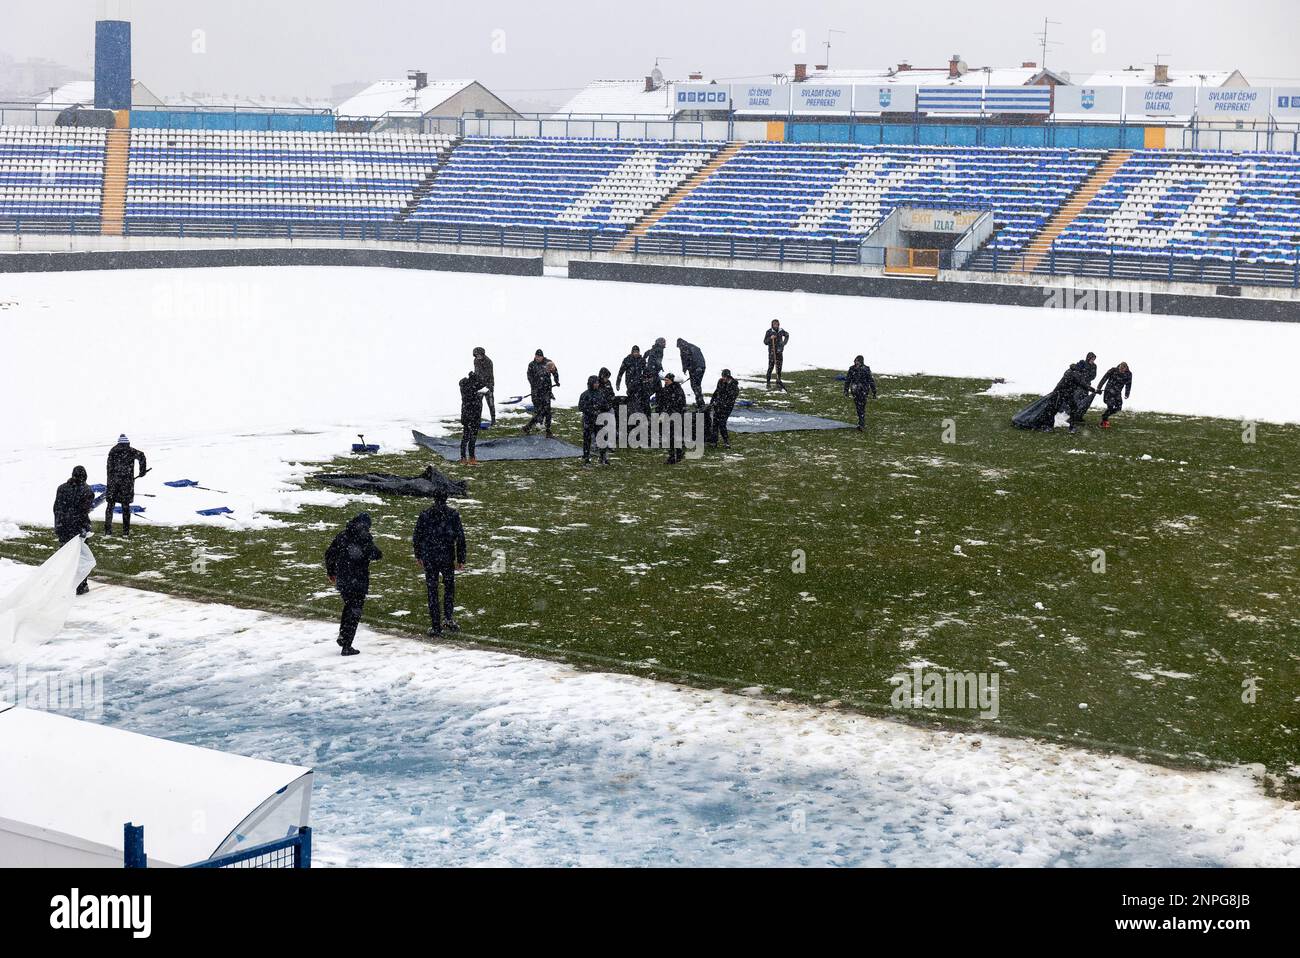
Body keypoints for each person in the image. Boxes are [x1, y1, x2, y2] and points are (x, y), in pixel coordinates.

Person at [324, 512, 382, 656]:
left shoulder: (342, 535)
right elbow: (376, 554)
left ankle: (343, 636)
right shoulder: (364, 538)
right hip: (358, 579)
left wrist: (331, 572)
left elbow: (329, 553)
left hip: (343, 578)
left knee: (349, 606)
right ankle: (347, 644)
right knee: (355, 611)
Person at [413, 491, 467, 636]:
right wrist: (461, 559)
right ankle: (448, 618)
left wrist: (418, 554)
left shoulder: (425, 514)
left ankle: (435, 625)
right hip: (447, 556)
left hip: (430, 557)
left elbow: (417, 536)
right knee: (449, 587)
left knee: (432, 590)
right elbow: (460, 538)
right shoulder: (452, 515)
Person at [52, 465, 94, 595]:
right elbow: (83, 511)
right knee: (80, 558)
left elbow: (56, 508)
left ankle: (65, 582)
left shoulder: (61, 488)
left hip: (63, 527)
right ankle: (80, 585)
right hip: (77, 529)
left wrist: (59, 525)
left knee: (65, 557)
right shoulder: (86, 490)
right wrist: (84, 527)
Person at [104, 434, 147, 537]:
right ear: (127, 443)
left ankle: (108, 532)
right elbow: (142, 456)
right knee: (125, 507)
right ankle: (125, 532)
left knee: (110, 506)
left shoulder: (113, 451)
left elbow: (108, 468)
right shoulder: (131, 451)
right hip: (126, 484)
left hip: (113, 483)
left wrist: (110, 481)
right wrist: (142, 471)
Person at [523, 349, 560, 438]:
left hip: (546, 391)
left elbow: (555, 371)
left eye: (539, 357)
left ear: (542, 356)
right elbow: (529, 376)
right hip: (536, 392)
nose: (537, 358)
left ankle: (548, 430)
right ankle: (529, 426)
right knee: (540, 411)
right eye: (536, 356)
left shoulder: (548, 363)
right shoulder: (531, 365)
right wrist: (534, 385)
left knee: (547, 411)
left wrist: (556, 380)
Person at [578, 374, 613, 465]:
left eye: (597, 383)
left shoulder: (601, 393)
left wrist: (605, 407)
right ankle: (586, 458)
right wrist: (591, 410)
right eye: (595, 383)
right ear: (591, 383)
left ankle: (603, 457)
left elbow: (606, 405)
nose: (597, 384)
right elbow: (581, 407)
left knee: (602, 438)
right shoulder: (585, 394)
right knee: (587, 439)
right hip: (588, 420)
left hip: (599, 420)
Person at [458, 370, 487, 464]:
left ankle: (464, 457)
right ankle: (471, 458)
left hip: (467, 415)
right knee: (471, 438)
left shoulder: (465, 387)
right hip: (473, 415)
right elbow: (474, 397)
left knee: (466, 437)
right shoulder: (472, 389)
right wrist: (480, 395)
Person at [659, 372, 688, 464]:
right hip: (668, 415)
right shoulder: (666, 389)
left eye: (667, 380)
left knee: (672, 437)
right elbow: (662, 402)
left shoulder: (677, 390)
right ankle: (678, 454)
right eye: (665, 380)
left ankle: (673, 456)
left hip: (675, 416)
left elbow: (678, 404)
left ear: (671, 380)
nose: (665, 382)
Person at [844, 355, 878, 431]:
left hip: (864, 391)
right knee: (858, 407)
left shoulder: (866, 369)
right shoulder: (852, 369)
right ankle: (861, 422)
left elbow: (871, 380)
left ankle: (861, 423)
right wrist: (846, 390)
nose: (856, 363)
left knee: (861, 407)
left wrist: (874, 391)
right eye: (855, 361)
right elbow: (848, 380)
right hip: (855, 391)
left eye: (858, 361)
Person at [1096, 361, 1133, 428]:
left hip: (1117, 393)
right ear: (1119, 367)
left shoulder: (1129, 374)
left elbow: (1129, 384)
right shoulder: (1113, 370)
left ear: (1126, 369)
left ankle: (1105, 416)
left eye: (1123, 370)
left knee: (1118, 407)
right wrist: (1099, 387)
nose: (1121, 371)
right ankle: (1104, 421)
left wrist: (1127, 393)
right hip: (1108, 391)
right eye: (1120, 369)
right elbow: (1104, 378)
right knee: (1110, 405)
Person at [709, 369, 739, 448]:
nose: (724, 379)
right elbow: (716, 392)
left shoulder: (734, 386)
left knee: (722, 424)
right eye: (723, 377)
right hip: (718, 406)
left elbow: (731, 399)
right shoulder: (720, 382)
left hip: (727, 408)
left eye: (726, 377)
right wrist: (712, 402)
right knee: (715, 423)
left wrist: (723, 404)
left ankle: (726, 441)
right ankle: (714, 442)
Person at [676, 337, 707, 409]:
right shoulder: (693, 346)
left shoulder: (684, 348)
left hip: (695, 368)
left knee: (694, 386)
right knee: (697, 385)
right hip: (702, 367)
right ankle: (700, 403)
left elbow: (685, 359)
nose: (679, 349)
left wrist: (685, 369)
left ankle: (700, 404)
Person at [617, 345, 646, 414]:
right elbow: (621, 372)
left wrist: (646, 380)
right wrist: (618, 383)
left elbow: (646, 371)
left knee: (639, 399)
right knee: (632, 398)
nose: (636, 353)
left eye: (637, 352)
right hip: (630, 383)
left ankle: (639, 414)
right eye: (634, 352)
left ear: (639, 352)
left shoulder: (641, 360)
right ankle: (631, 413)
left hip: (639, 383)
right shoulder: (627, 359)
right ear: (632, 352)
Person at [472, 346, 496, 426]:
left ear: (482, 354)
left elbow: (490, 375)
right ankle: (477, 420)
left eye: (479, 354)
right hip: (479, 386)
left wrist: (490, 386)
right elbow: (477, 372)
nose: (478, 356)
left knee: (491, 404)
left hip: (488, 386)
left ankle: (493, 420)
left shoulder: (488, 362)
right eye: (476, 355)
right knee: (478, 405)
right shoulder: (475, 361)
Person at [763, 319, 789, 390]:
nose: (776, 325)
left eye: (777, 324)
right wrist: (770, 338)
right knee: (770, 367)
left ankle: (778, 382)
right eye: (774, 324)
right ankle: (768, 383)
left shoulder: (781, 330)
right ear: (772, 325)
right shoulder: (769, 332)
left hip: (779, 352)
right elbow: (765, 342)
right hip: (772, 352)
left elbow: (787, 335)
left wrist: (784, 343)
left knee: (779, 368)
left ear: (778, 324)